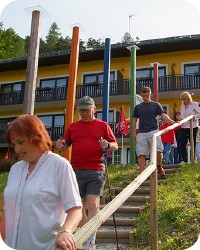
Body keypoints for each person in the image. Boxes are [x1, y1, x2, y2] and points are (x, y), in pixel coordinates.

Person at [0, 114, 82, 250]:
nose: (17, 150)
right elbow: (8, 211)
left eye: (21, 142)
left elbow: (75, 209)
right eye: (14, 144)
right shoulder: (15, 169)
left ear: (36, 137)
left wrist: (65, 231)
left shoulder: (59, 165)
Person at [56, 96, 118, 250]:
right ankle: (85, 235)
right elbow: (64, 145)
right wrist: (59, 144)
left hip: (96, 169)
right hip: (75, 170)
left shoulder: (102, 126)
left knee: (92, 203)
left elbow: (115, 146)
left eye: (87, 110)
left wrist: (108, 144)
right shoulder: (73, 127)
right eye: (81, 110)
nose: (84, 113)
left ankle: (91, 239)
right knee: (78, 206)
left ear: (94, 109)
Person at [133, 87, 175, 176]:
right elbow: (134, 121)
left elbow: (163, 115)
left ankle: (159, 166)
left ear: (150, 94)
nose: (145, 97)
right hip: (141, 132)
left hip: (154, 131)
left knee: (158, 150)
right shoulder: (138, 107)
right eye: (143, 96)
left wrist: (171, 121)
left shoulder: (156, 105)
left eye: (147, 95)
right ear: (141, 95)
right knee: (141, 153)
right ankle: (142, 174)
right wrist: (133, 133)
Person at [180, 91, 200, 163]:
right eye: (182, 99)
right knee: (182, 142)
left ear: (188, 98)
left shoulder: (194, 104)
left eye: (184, 99)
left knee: (193, 143)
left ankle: (193, 159)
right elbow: (182, 115)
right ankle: (184, 160)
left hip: (193, 126)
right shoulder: (182, 106)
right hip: (184, 126)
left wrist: (194, 117)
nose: (183, 101)